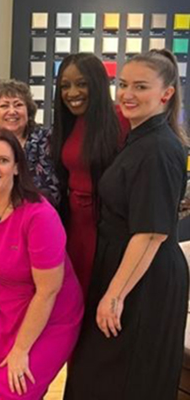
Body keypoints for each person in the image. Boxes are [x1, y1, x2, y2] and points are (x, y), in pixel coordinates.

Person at [64, 49, 188, 399]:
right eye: (123, 84)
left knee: (120, 380)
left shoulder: (157, 149)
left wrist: (115, 295)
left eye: (141, 86)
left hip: (142, 279)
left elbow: (150, 234)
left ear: (166, 93)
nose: (127, 94)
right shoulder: (139, 138)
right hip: (125, 268)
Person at [0, 128, 83, 400]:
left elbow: (48, 290)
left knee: (16, 391)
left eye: (3, 160)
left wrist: (21, 349)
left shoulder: (39, 215)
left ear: (16, 168)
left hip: (50, 312)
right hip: (5, 306)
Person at [50, 53, 130, 298]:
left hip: (107, 224)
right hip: (74, 223)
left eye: (81, 84)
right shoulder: (68, 123)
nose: (72, 93)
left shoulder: (121, 121)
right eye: (65, 86)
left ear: (97, 83)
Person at [0, 79, 59, 204]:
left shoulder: (48, 140)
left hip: (44, 213)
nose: (12, 111)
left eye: (18, 105)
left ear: (28, 112)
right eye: (4, 106)